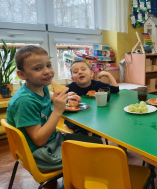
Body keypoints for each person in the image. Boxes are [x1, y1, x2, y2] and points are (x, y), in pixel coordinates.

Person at [6, 45, 102, 173]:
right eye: (38, 68)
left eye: (48, 65)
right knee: (100, 156)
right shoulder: (25, 101)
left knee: (96, 142)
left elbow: (47, 97)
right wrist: (58, 110)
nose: (47, 71)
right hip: (41, 153)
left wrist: (67, 96)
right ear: (22, 74)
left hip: (54, 139)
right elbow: (39, 140)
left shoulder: (41, 86)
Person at [65, 60, 119, 134]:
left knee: (103, 120)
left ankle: (97, 137)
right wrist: (66, 97)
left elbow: (115, 89)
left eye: (83, 69)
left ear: (91, 74)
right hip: (76, 118)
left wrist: (109, 75)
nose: (80, 72)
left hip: (95, 116)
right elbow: (57, 99)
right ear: (73, 79)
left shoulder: (97, 85)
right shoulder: (69, 88)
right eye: (75, 71)